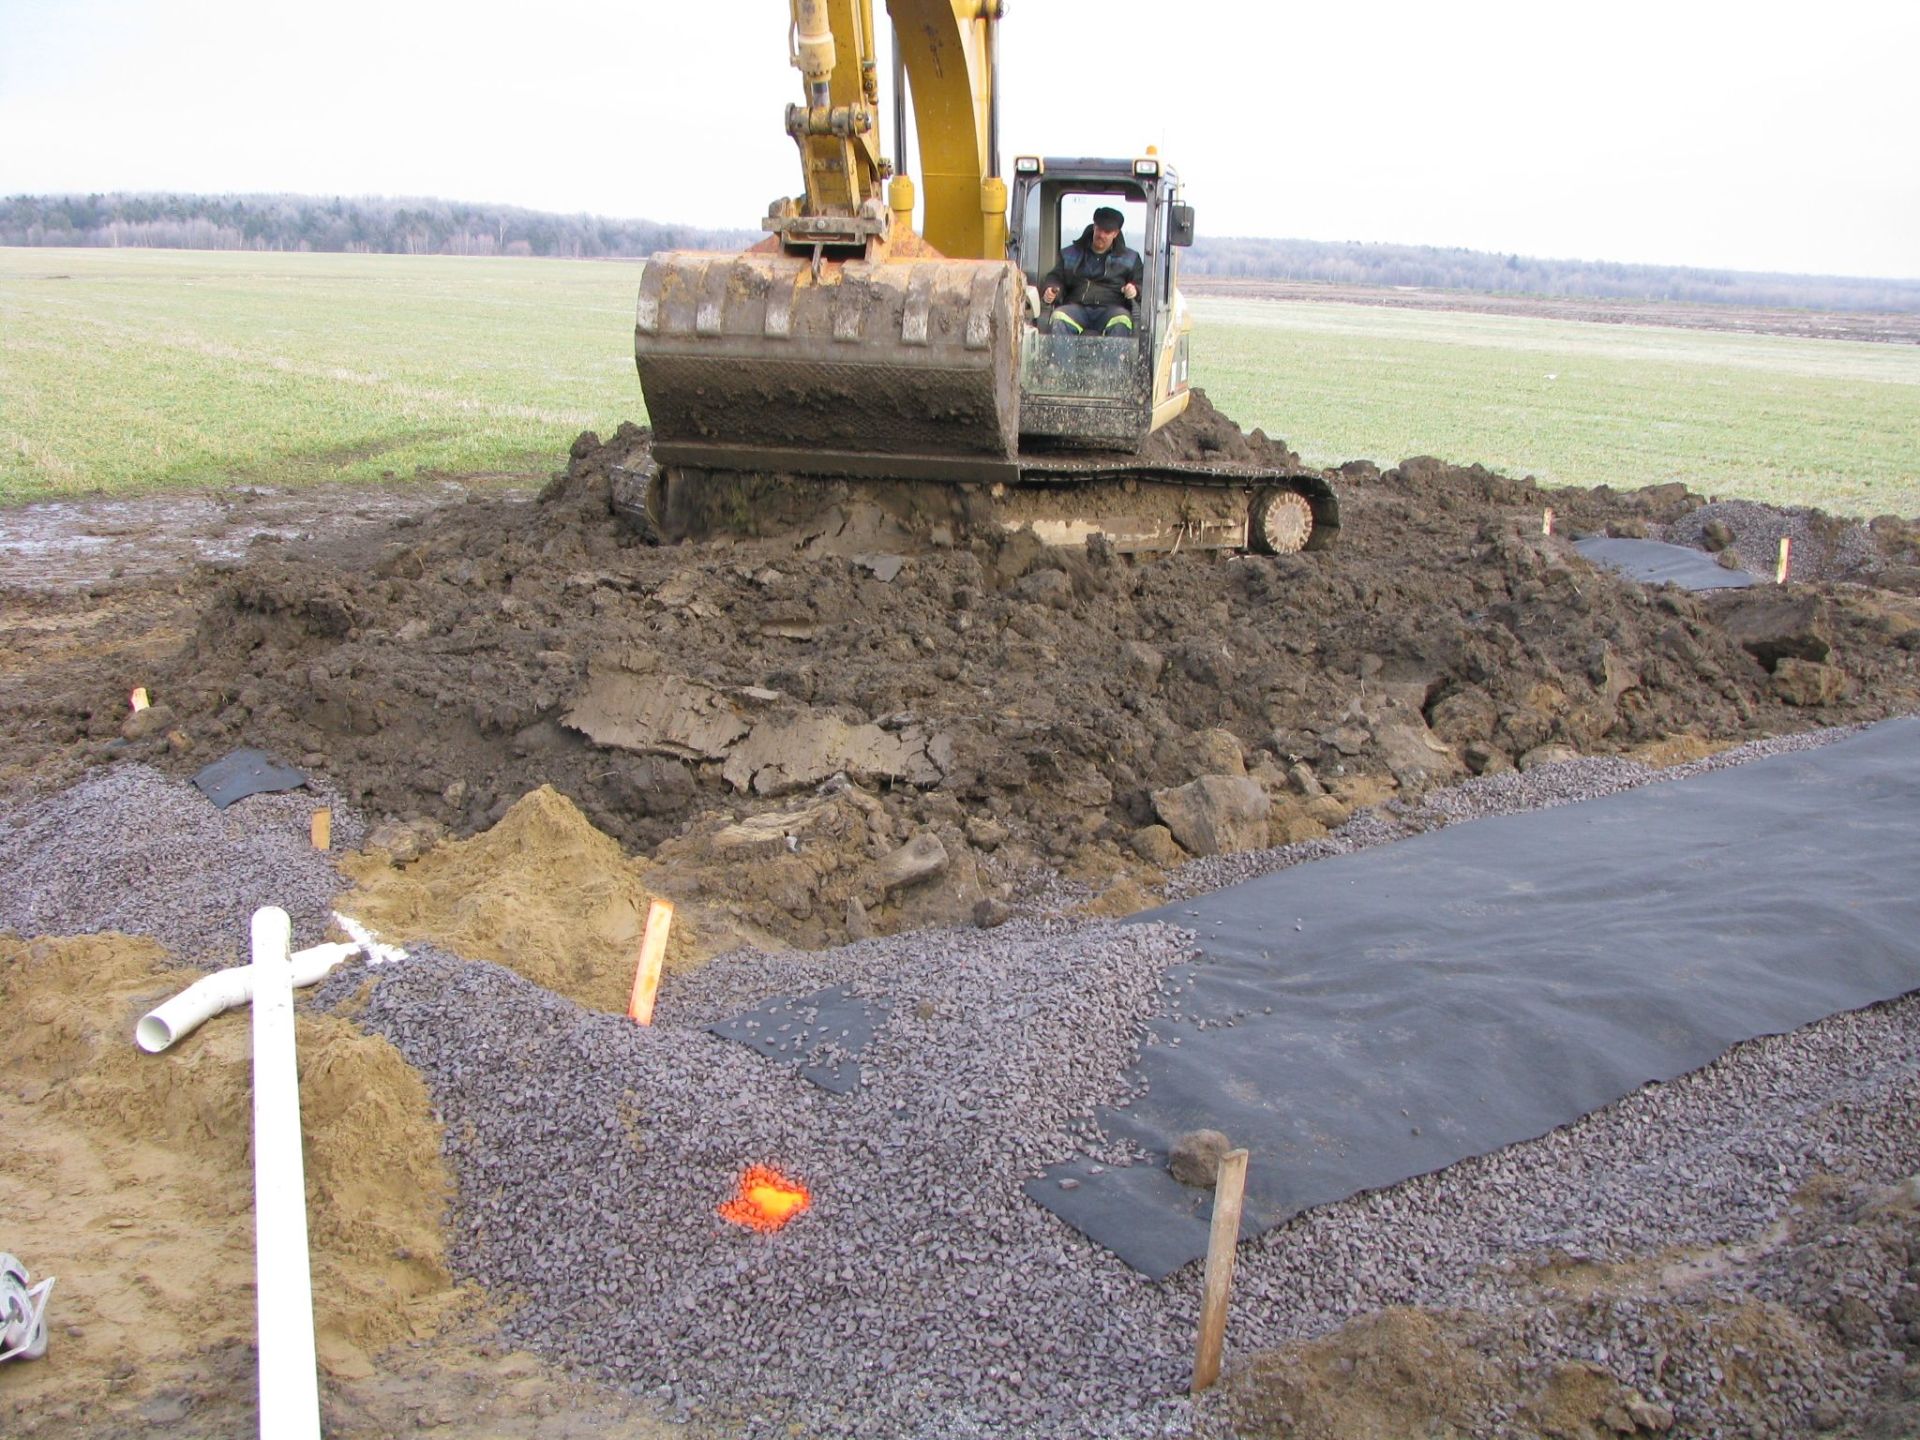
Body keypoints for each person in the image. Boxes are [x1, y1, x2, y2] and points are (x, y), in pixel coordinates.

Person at [1040, 205, 1142, 338]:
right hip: (1077, 307)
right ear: (1094, 227)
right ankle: (1060, 360)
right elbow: (1055, 278)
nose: (1101, 235)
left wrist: (1135, 289)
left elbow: (1141, 283)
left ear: (1115, 233)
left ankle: (1115, 360)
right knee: (1059, 317)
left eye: (1107, 232)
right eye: (1099, 229)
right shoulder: (1070, 253)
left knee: (1122, 320)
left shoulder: (1131, 258)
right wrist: (1050, 289)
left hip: (1112, 309)